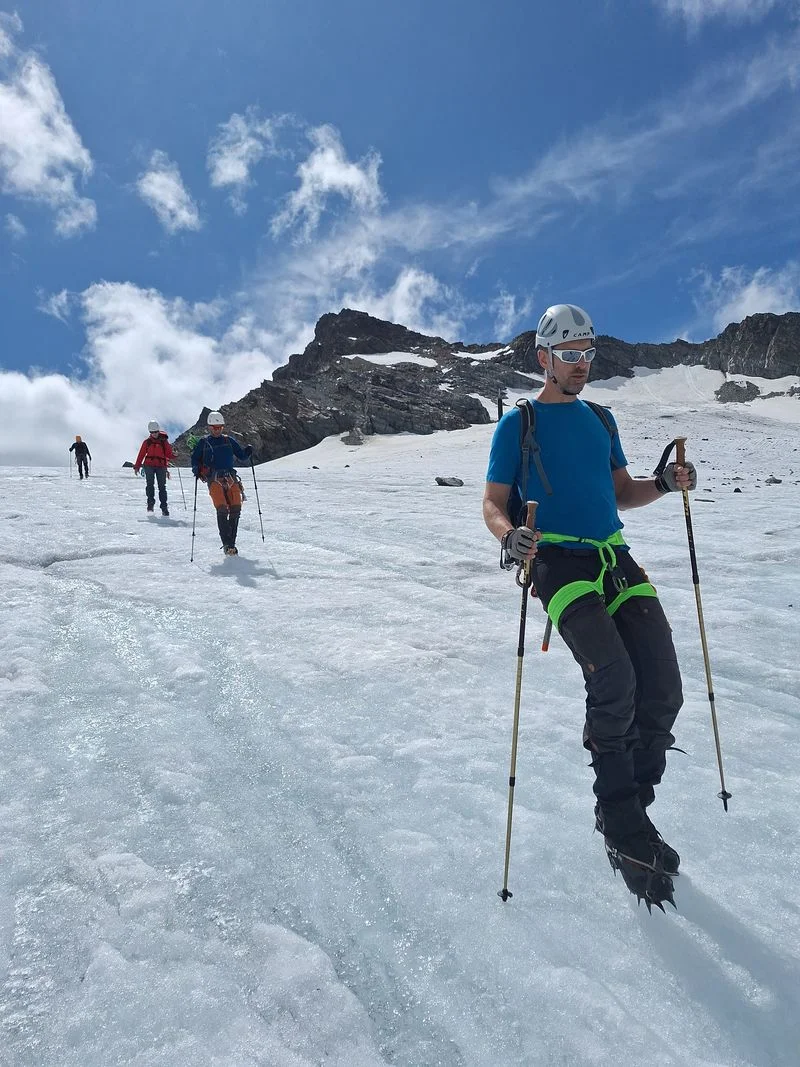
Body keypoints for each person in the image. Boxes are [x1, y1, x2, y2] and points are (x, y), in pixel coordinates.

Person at [483, 303, 697, 907]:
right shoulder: (518, 424)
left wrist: (664, 483)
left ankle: (636, 803)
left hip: (614, 557)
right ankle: (620, 818)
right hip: (557, 562)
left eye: (587, 353)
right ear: (543, 357)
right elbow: (494, 502)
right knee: (614, 678)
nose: (582, 365)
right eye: (570, 354)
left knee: (663, 688)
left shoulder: (601, 419)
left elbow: (622, 493)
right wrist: (509, 537)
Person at [190, 411, 253, 555]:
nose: (216, 430)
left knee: (236, 509)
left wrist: (248, 451)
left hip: (230, 477)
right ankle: (227, 544)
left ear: (222, 427)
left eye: (219, 427)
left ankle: (231, 543)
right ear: (209, 428)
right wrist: (196, 469)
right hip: (214, 478)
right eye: (214, 427)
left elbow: (242, 456)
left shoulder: (228, 440)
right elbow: (194, 459)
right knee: (222, 509)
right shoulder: (203, 442)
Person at [133, 421, 175, 516]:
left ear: (158, 431)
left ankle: (164, 507)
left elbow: (168, 454)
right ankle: (150, 504)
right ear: (150, 432)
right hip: (149, 466)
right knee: (150, 485)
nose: (154, 434)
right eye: (152, 432)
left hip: (161, 466)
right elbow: (141, 454)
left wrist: (175, 455)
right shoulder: (147, 442)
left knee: (162, 487)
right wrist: (137, 466)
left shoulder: (164, 441)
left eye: (156, 432)